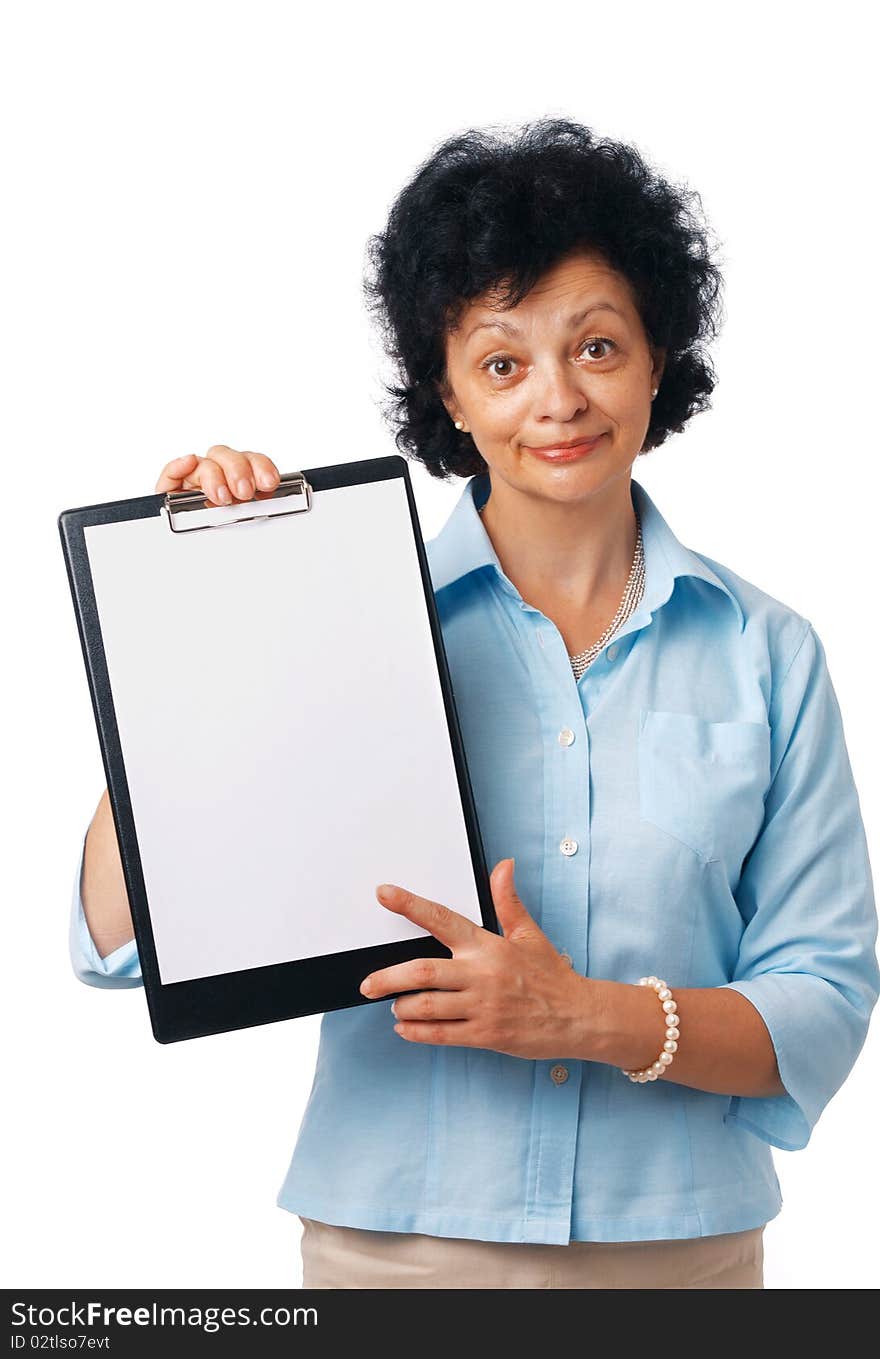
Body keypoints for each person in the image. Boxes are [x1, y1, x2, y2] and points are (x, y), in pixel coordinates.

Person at [70, 118, 880, 1290]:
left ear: (658, 360)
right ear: (446, 394)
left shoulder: (766, 652)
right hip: (393, 1258)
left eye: (596, 346)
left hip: (679, 1260)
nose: (557, 398)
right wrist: (207, 613)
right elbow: (113, 940)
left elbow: (821, 1004)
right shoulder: (342, 621)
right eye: (502, 362)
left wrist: (586, 1018)